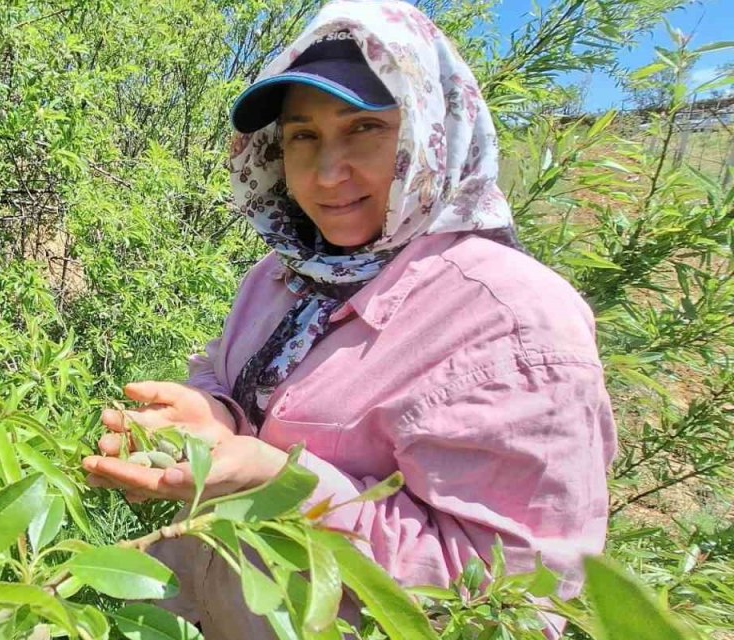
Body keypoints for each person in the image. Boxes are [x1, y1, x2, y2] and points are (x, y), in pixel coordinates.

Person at [81, 0, 616, 637]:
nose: (328, 174)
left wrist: (280, 484)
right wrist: (213, 413)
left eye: (363, 127)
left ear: (429, 130)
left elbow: (513, 599)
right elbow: (225, 376)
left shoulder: (513, 324)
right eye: (304, 136)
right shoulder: (287, 275)